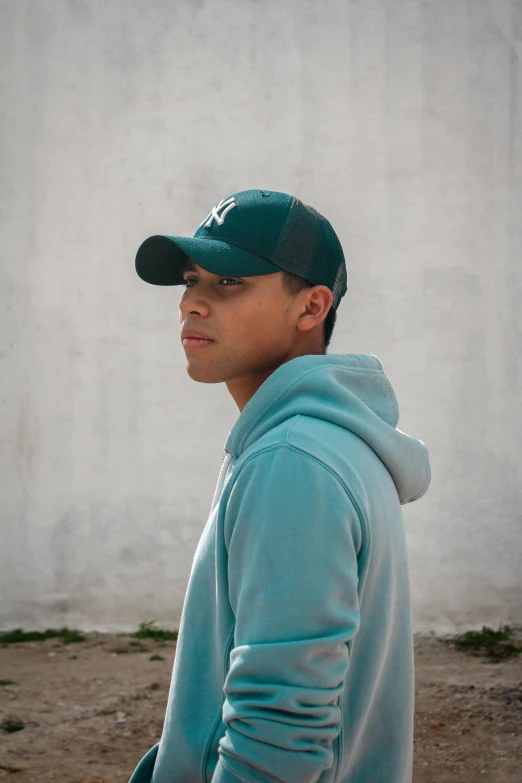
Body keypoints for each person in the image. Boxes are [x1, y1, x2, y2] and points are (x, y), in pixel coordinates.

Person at [127, 189, 431, 783]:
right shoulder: (319, 444)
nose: (192, 302)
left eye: (230, 283)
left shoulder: (293, 463)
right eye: (192, 279)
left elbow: (278, 730)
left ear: (312, 306)